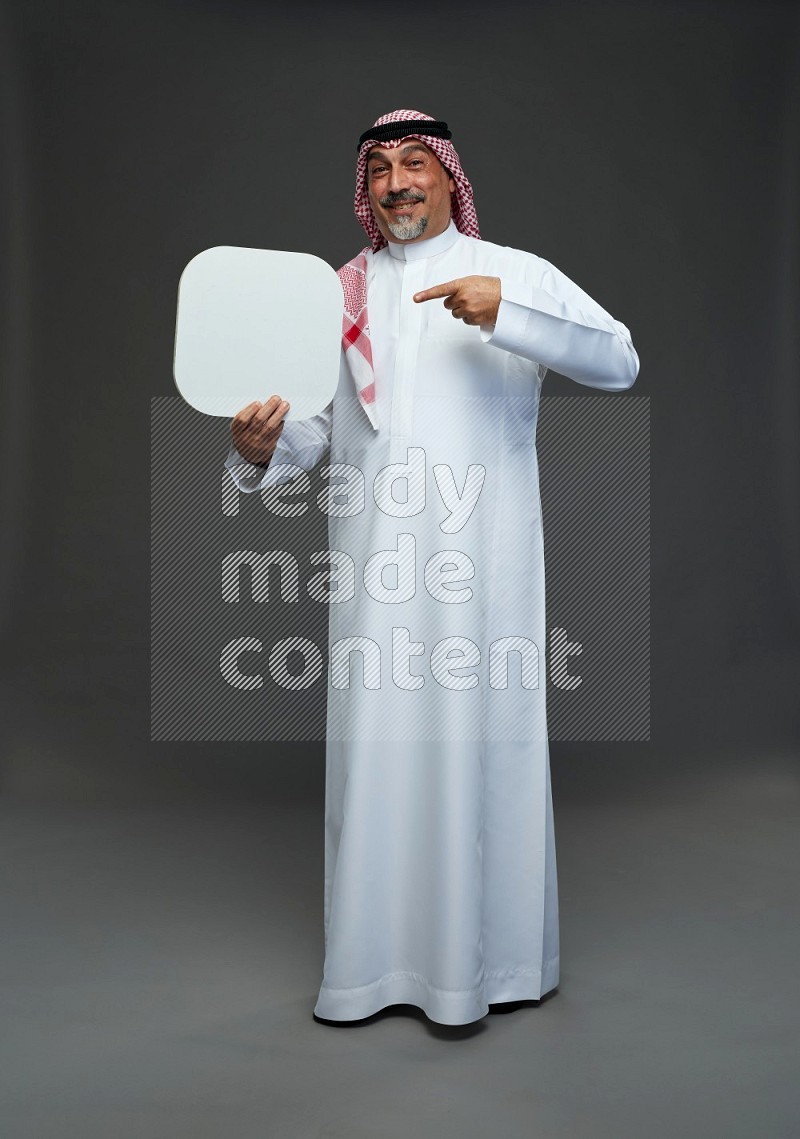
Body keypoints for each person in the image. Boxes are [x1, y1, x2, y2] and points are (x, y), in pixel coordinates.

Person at [224, 109, 640, 1026]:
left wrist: (513, 318)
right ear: (365, 189)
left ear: (451, 178)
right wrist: (259, 450)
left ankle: (488, 971)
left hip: (483, 583)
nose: (397, 181)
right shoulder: (336, 294)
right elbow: (318, 435)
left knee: (481, 751)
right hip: (372, 578)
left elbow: (617, 360)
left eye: (416, 163)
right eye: (378, 168)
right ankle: (370, 972)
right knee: (378, 757)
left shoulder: (512, 274)